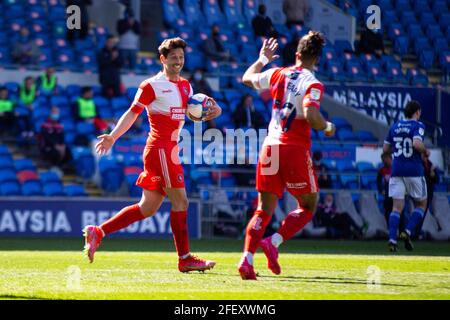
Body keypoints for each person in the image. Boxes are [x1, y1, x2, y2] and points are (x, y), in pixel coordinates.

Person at [83, 37, 222, 273]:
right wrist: (113, 136)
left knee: (147, 208)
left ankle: (99, 231)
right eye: (173, 57)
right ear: (162, 59)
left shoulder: (187, 86)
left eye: (181, 57)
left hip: (169, 149)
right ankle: (185, 258)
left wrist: (212, 111)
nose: (178, 61)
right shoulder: (151, 85)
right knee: (181, 202)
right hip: (161, 149)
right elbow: (132, 112)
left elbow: (191, 113)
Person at [238, 32, 336, 280]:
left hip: (270, 146)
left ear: (297, 54)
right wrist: (327, 127)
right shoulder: (312, 83)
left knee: (263, 210)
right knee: (308, 205)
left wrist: (262, 59)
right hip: (294, 148)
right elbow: (312, 116)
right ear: (317, 58)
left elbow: (247, 78)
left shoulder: (277, 73)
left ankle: (246, 261)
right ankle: (274, 241)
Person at [383, 100, 428, 252]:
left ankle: (392, 239)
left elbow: (385, 149)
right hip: (414, 171)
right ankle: (407, 231)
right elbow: (416, 144)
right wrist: (425, 150)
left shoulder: (394, 126)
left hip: (396, 171)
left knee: (396, 208)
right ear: (417, 112)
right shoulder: (418, 125)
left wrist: (395, 158)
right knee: (421, 205)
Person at [416, 150, 440, 236]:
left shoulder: (430, 165)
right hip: (419, 193)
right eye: (423, 155)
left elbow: (437, 180)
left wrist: (433, 174)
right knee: (418, 213)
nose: (425, 157)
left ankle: (417, 232)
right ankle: (415, 232)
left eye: (426, 156)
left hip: (428, 193)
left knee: (422, 213)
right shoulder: (417, 164)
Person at [377, 152, 393, 223]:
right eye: (383, 160)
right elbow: (378, 181)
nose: (384, 162)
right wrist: (381, 190)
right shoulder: (382, 169)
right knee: (387, 211)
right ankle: (388, 227)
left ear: (390, 158)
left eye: (385, 160)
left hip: (397, 195)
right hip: (387, 195)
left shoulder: (396, 168)